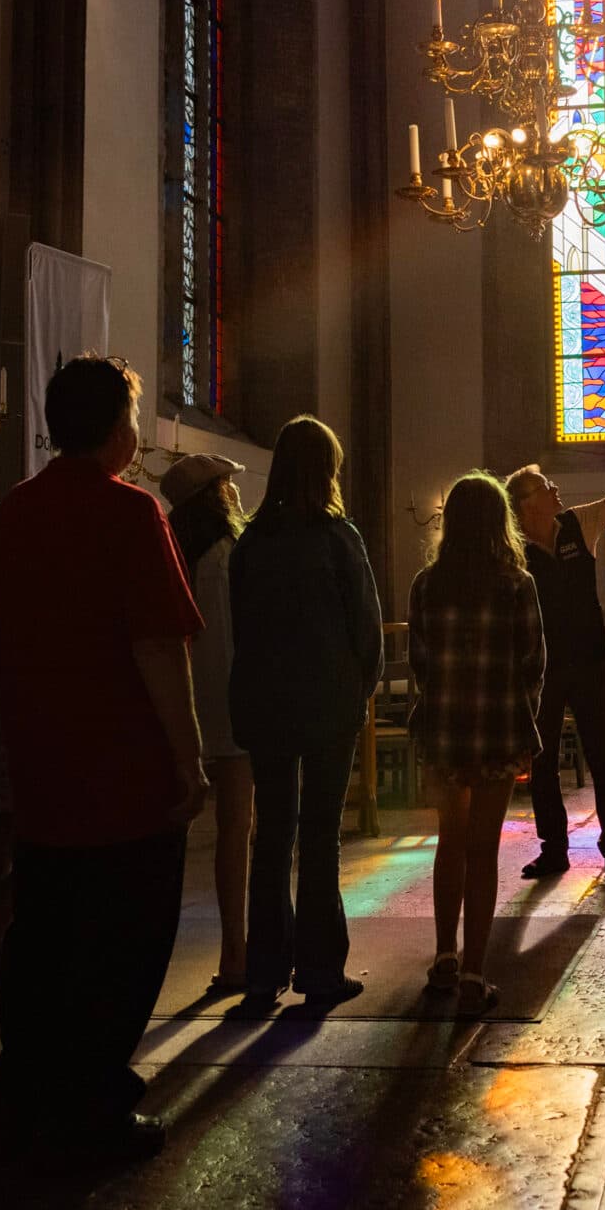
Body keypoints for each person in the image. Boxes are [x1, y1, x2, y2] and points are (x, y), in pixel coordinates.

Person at [0, 357, 207, 1164]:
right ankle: (91, 1106)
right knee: (124, 943)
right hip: (123, 769)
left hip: (43, 763)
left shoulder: (13, 512)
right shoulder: (130, 512)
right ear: (119, 428)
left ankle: (18, 1102)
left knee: (42, 940)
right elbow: (157, 643)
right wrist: (189, 757)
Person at [227, 416, 382, 1013]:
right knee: (320, 837)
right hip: (327, 705)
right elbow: (366, 631)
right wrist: (358, 692)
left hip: (266, 706)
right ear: (327, 471)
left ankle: (263, 973)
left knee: (272, 837)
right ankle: (319, 970)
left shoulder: (252, 542)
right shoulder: (337, 538)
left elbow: (241, 624)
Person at [506, 408, 605, 884]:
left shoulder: (579, 523)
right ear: (525, 505)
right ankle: (553, 849)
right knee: (543, 759)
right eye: (544, 486)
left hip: (590, 661)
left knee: (604, 757)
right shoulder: (513, 550)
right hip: (542, 669)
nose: (555, 489)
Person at [407, 473, 546, 1019]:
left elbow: (418, 661)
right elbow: (535, 662)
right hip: (498, 729)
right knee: (484, 852)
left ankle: (444, 955)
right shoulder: (517, 584)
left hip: (445, 730)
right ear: (499, 523)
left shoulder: (426, 584)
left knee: (450, 842)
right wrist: (520, 714)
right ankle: (473, 973)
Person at [161, 450, 252, 997]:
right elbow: (224, 645)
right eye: (229, 487)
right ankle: (235, 953)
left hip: (182, 707)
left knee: (176, 834)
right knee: (235, 834)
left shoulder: (175, 552)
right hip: (225, 711)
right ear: (216, 497)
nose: (237, 495)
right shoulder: (222, 556)